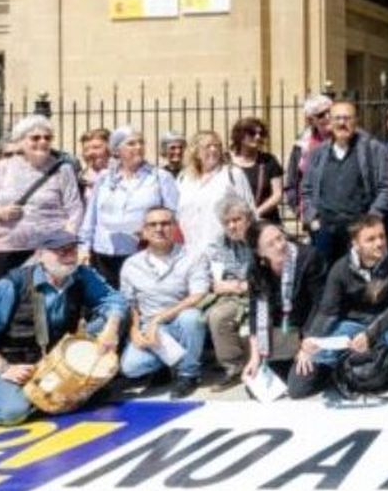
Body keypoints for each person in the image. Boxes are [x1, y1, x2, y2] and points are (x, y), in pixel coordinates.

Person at [0, 232, 125, 424]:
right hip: (18, 361)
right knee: (11, 413)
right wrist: (3, 368)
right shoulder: (12, 284)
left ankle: (65, 382)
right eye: (60, 251)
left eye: (72, 249)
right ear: (40, 254)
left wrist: (111, 330)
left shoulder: (81, 274)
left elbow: (113, 299)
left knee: (117, 317)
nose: (68, 255)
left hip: (59, 356)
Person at [291, 214, 388, 399]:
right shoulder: (341, 268)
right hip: (353, 325)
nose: (379, 243)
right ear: (355, 244)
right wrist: (311, 341)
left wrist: (370, 335)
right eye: (371, 239)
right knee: (298, 386)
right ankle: (333, 371)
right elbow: (327, 312)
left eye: (382, 236)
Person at [0, 115, 81, 286]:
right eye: (35, 138)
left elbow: (75, 209)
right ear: (20, 141)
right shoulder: (2, 168)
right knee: (4, 299)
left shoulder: (63, 170)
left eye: (47, 138)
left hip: (49, 250)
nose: (42, 142)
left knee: (44, 302)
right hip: (6, 247)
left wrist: (65, 241)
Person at [117, 206, 207, 398]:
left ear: (175, 227)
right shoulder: (131, 264)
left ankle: (189, 373)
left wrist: (160, 318)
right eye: (153, 224)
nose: (159, 229)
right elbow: (130, 302)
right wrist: (134, 331)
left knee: (192, 318)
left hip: (179, 323)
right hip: (149, 327)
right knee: (130, 368)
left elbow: (198, 294)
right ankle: (164, 366)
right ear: (144, 231)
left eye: (165, 223)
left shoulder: (193, 256)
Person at [77, 127, 178, 287]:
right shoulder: (104, 178)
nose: (138, 147)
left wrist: (154, 232)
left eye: (141, 143)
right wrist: (83, 247)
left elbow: (173, 215)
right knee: (105, 304)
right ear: (117, 150)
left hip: (141, 251)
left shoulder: (160, 178)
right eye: (131, 143)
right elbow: (91, 216)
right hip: (103, 252)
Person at [300, 100, 388, 263]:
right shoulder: (318, 153)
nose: (342, 123)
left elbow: (385, 188)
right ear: (330, 121)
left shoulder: (373, 149)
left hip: (359, 230)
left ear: (356, 121)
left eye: (347, 118)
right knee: (325, 281)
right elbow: (306, 189)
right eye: (337, 118)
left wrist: (371, 220)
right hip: (325, 231)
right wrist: (312, 219)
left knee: (359, 280)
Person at [243, 222, 329, 381]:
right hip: (284, 334)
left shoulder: (309, 258)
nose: (280, 245)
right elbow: (255, 313)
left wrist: (307, 345)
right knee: (260, 380)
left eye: (280, 238)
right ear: (259, 252)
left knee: (298, 386)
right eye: (271, 244)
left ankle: (328, 369)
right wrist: (254, 357)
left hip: (311, 329)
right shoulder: (256, 270)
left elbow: (321, 306)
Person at [201, 195, 257, 386]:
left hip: (260, 293)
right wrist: (214, 284)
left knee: (221, 315)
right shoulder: (220, 242)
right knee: (211, 314)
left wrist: (239, 285)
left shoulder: (262, 236)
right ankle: (233, 365)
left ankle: (242, 363)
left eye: (237, 220)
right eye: (227, 222)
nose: (232, 226)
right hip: (230, 295)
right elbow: (207, 272)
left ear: (248, 218)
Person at [175, 130, 254, 262]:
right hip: (189, 252)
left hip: (225, 253)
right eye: (208, 146)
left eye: (217, 146)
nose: (213, 150)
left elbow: (250, 211)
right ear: (196, 151)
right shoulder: (184, 178)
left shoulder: (232, 174)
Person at [284, 93, 333, 219]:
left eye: (331, 112)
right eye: (321, 115)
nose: (328, 117)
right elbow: (292, 180)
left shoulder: (347, 139)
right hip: (314, 215)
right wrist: (299, 210)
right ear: (311, 120)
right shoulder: (302, 146)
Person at [229, 116, 285, 224]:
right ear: (240, 135)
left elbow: (277, 194)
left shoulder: (268, 160)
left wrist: (255, 214)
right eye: (252, 133)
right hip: (233, 223)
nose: (258, 137)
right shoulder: (226, 161)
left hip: (265, 221)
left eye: (261, 134)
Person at [77, 128, 111, 195]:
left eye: (96, 147)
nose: (90, 153)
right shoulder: (79, 180)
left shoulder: (122, 175)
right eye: (86, 150)